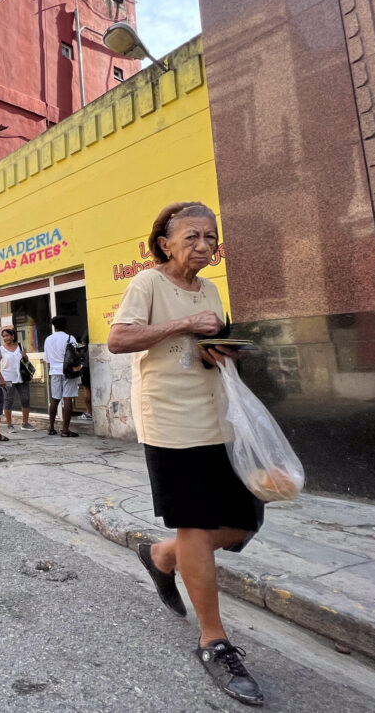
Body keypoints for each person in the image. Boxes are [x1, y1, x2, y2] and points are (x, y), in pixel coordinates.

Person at [108, 202, 265, 706]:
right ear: (165, 244)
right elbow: (118, 338)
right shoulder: (148, 284)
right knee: (195, 523)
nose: (204, 245)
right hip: (171, 422)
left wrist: (219, 348)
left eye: (210, 236)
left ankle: (162, 555)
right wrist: (184, 326)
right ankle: (214, 639)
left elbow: (202, 342)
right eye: (192, 236)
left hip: (217, 417)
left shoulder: (212, 289)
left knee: (244, 523)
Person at [43, 315, 80, 437]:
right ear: (65, 325)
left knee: (55, 399)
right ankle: (65, 430)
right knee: (68, 398)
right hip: (68, 372)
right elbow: (76, 356)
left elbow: (47, 359)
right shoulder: (70, 338)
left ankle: (51, 428)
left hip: (54, 371)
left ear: (54, 327)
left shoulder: (48, 339)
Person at [0, 327, 34, 431]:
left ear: (13, 336)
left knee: (25, 399)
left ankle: (25, 423)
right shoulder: (1, 349)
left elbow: (26, 360)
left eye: (7, 335)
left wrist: (25, 356)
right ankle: (9, 424)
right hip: (8, 379)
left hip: (22, 377)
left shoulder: (20, 346)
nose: (6, 338)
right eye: (4, 336)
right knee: (8, 400)